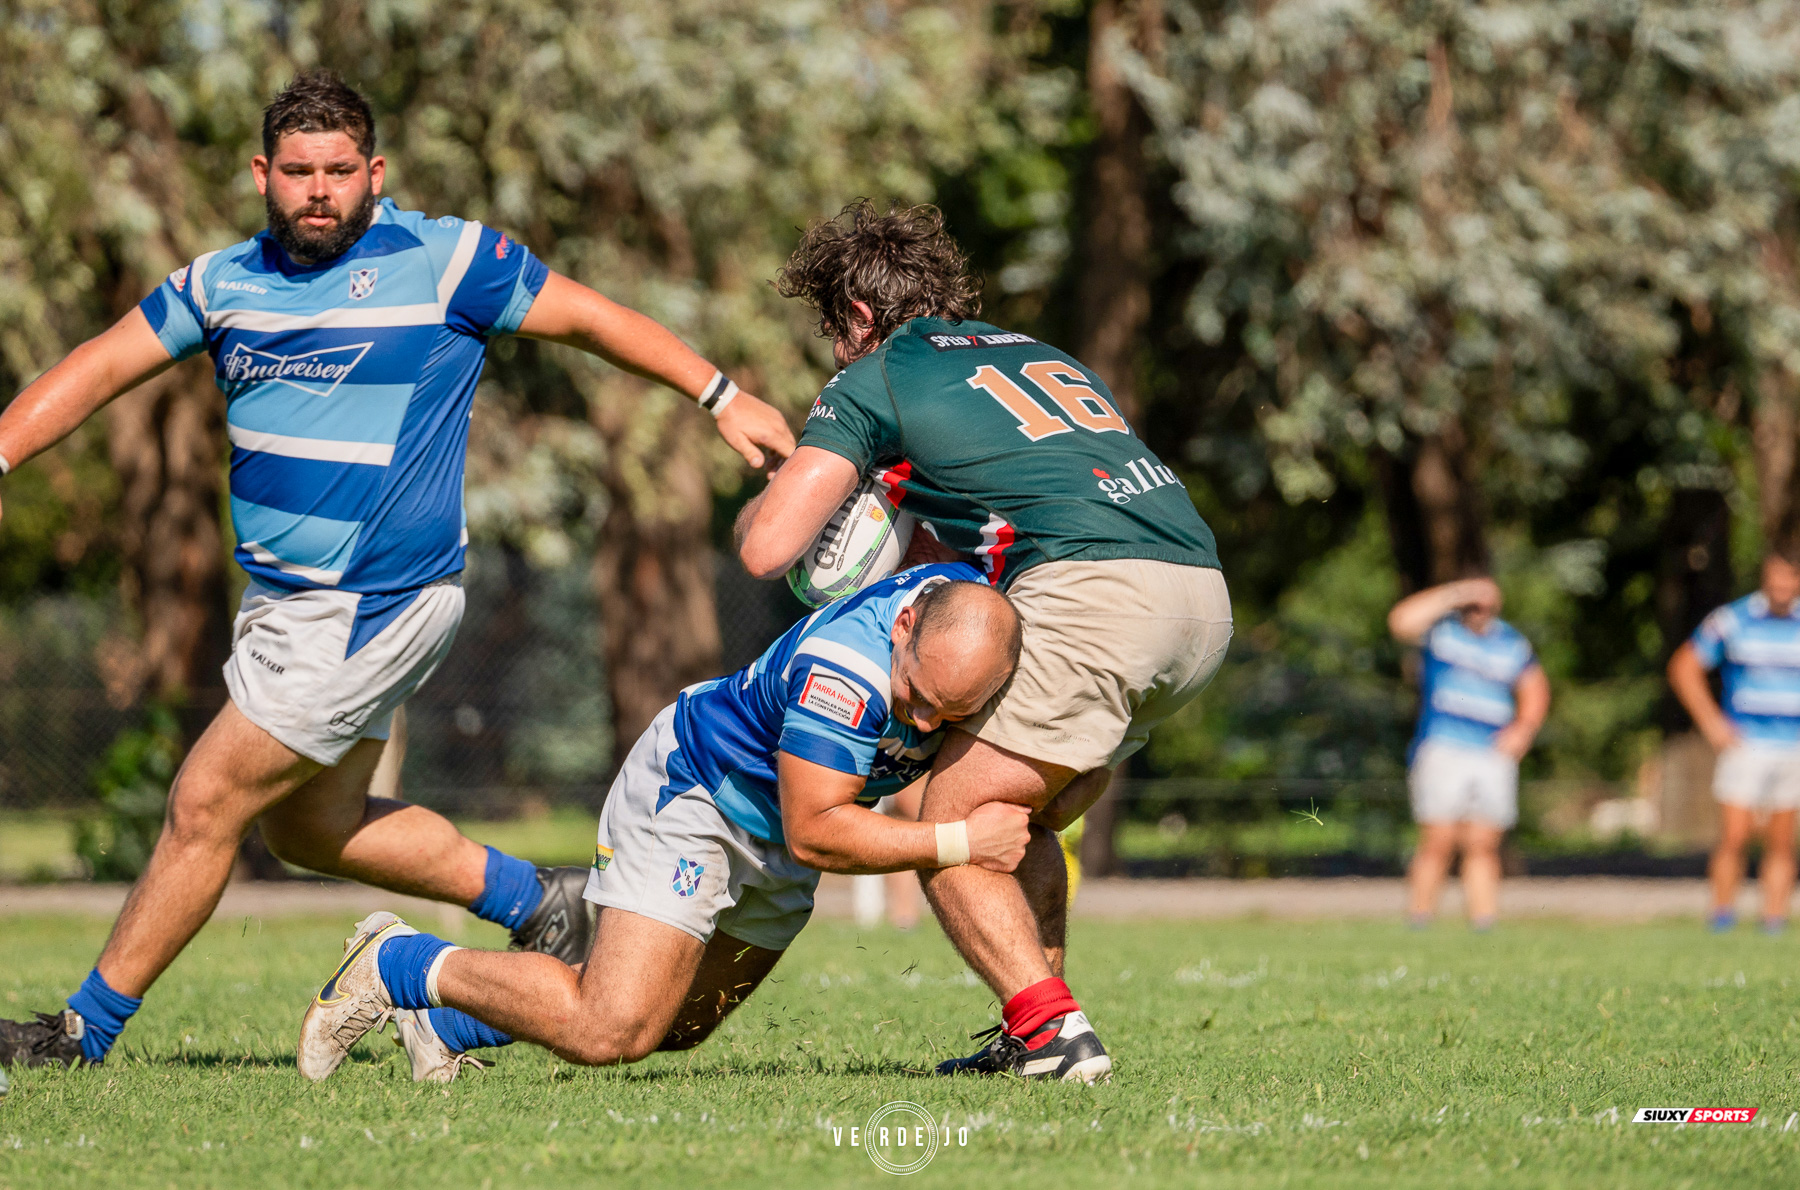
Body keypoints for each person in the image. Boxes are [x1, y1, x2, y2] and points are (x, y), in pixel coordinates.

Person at [0, 72, 793, 1070]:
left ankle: (81, 1033)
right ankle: (536, 901)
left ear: (374, 173)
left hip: (373, 601)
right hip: (288, 606)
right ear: (262, 175)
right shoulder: (219, 282)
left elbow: (593, 319)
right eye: (298, 171)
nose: (319, 190)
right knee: (312, 825)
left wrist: (719, 394)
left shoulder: (447, 260)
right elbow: (100, 362)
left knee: (203, 804)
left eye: (340, 170)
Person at [735, 202, 1232, 1082]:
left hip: (1094, 594)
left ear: (854, 316)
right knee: (1014, 817)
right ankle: (1040, 1029)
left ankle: (1055, 1037)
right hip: (1199, 596)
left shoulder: (877, 375)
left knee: (950, 823)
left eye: (830, 328)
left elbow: (768, 548)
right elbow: (1005, 516)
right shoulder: (1036, 353)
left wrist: (794, 480)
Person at [296, 568, 1037, 1082]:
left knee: (678, 1026)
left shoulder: (962, 614)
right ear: (904, 625)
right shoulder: (842, 675)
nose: (925, 721)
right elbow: (818, 832)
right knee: (612, 1029)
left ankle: (443, 1028)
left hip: (777, 839)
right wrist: (961, 843)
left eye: (952, 712)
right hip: (699, 797)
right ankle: (397, 962)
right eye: (916, 696)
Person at [1388, 577, 1549, 930]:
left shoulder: (1510, 642)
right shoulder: (1442, 633)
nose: (1480, 611)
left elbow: (1535, 688)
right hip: (1444, 746)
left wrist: (1523, 730)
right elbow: (1400, 621)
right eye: (1473, 604)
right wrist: (1456, 593)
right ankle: (1419, 918)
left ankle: (1483, 922)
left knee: (1484, 842)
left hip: (1490, 753)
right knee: (1439, 838)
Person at [1668, 551, 1800, 933]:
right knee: (1735, 834)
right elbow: (1684, 666)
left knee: (1781, 839)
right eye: (1775, 579)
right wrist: (1712, 723)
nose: (1782, 588)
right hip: (1746, 744)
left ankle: (1773, 919)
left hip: (1791, 744)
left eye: (1789, 580)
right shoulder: (1732, 619)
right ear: (1764, 578)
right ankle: (1722, 916)